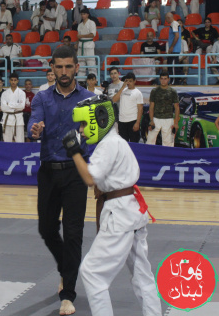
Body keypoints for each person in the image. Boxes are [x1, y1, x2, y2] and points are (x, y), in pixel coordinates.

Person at [62, 96, 161, 316]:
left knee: (92, 273)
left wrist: (74, 151)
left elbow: (90, 178)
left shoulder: (108, 145)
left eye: (84, 124)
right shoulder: (116, 141)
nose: (81, 130)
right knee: (142, 276)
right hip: (131, 211)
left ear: (100, 119)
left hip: (120, 215)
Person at [27, 46, 95, 316]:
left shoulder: (89, 99)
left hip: (77, 173)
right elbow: (34, 124)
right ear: (52, 68)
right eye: (59, 67)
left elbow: (96, 138)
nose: (64, 71)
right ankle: (66, 269)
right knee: (46, 229)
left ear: (77, 67)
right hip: (48, 172)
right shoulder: (42, 98)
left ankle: (68, 294)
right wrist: (35, 130)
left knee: (74, 233)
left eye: (68, 66)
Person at [146, 71, 179, 146]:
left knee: (168, 143)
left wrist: (176, 123)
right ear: (159, 79)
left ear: (168, 79)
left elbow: (177, 107)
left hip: (168, 119)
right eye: (162, 79)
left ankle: (168, 154)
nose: (163, 80)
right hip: (156, 118)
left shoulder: (173, 92)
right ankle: (148, 154)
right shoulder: (154, 91)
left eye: (165, 79)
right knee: (150, 141)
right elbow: (151, 106)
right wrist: (151, 120)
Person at [112, 72, 143, 143]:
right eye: (127, 81)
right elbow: (114, 100)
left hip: (132, 120)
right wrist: (123, 87)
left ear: (134, 81)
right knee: (123, 143)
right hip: (122, 121)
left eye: (130, 81)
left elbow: (140, 109)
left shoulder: (138, 93)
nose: (128, 83)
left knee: (134, 143)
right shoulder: (122, 91)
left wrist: (137, 123)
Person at [1, 73, 26, 143]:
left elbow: (22, 106)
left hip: (18, 120)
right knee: (7, 142)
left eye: (15, 80)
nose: (13, 82)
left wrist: (9, 104)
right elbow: (3, 108)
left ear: (17, 81)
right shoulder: (5, 93)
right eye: (11, 80)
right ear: (9, 81)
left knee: (20, 141)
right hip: (7, 120)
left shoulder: (21, 93)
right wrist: (16, 106)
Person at [76, 7, 97, 77]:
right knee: (80, 64)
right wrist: (77, 44)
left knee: (91, 63)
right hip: (80, 46)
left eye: (84, 14)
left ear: (87, 14)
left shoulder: (91, 23)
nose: (82, 15)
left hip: (89, 45)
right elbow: (78, 36)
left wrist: (82, 36)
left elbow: (92, 34)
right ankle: (81, 80)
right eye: (81, 14)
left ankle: (93, 79)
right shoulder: (80, 25)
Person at [165, 12, 181, 83]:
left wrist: (171, 47)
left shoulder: (174, 24)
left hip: (174, 49)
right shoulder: (173, 24)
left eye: (166, 19)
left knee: (173, 66)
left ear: (168, 18)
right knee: (170, 66)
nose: (166, 20)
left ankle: (174, 81)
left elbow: (176, 36)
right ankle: (175, 80)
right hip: (173, 49)